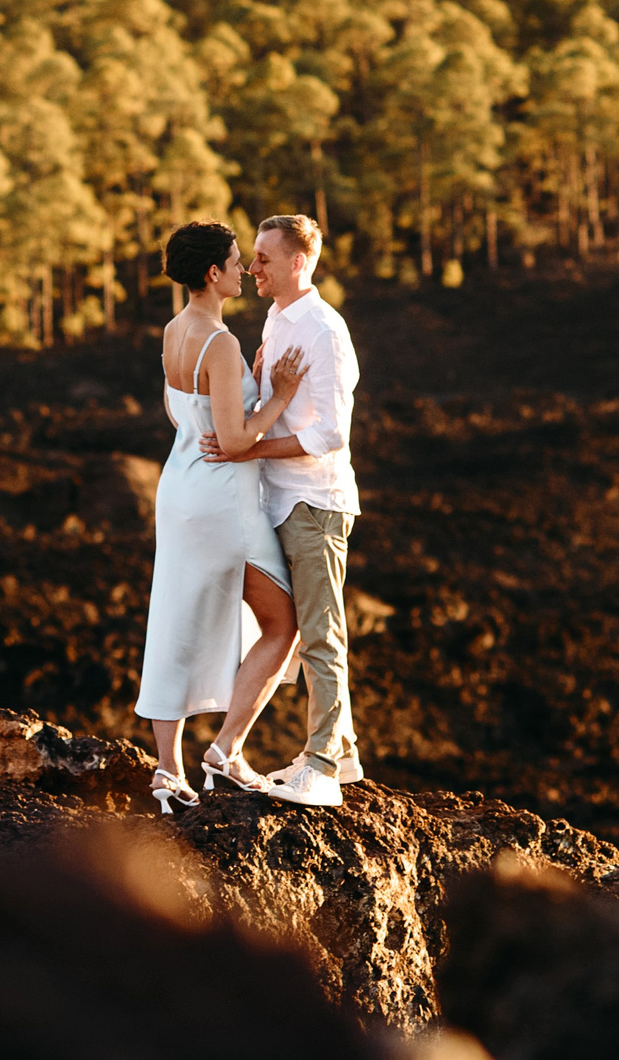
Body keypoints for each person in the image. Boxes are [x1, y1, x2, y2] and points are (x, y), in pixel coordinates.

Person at [135, 221, 309, 814]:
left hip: (179, 490)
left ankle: (167, 770)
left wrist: (245, 383)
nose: (245, 270)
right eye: (237, 262)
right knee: (285, 623)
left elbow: (181, 410)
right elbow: (234, 442)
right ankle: (227, 751)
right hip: (223, 502)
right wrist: (277, 394)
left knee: (175, 618)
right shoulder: (222, 342)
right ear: (213, 272)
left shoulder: (175, 330)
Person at [205, 214, 361, 808]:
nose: (252, 268)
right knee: (301, 631)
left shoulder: (324, 330)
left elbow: (330, 435)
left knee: (321, 634)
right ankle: (340, 751)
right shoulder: (276, 318)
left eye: (264, 258)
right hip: (276, 499)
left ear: (299, 262)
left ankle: (320, 770)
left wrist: (249, 447)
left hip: (313, 502)